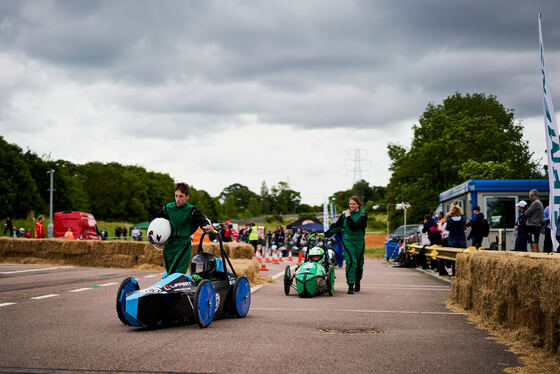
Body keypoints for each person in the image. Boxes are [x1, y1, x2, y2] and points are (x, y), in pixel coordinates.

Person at [157, 182, 212, 275]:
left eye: (181, 196)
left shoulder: (191, 210)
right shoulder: (168, 207)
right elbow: (158, 220)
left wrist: (206, 225)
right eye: (176, 196)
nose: (178, 199)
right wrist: (156, 237)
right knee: (170, 272)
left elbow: (201, 219)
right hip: (169, 245)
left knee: (177, 273)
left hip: (183, 245)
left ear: (187, 197)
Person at [326, 196, 367, 295]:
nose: (351, 206)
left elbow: (355, 226)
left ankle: (357, 281)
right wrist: (325, 234)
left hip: (359, 241)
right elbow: (337, 226)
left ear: (358, 205)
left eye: (354, 204)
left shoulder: (363, 215)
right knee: (351, 261)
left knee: (359, 263)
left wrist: (348, 217)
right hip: (348, 240)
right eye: (350, 204)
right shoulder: (344, 215)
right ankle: (350, 285)